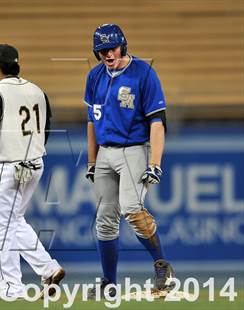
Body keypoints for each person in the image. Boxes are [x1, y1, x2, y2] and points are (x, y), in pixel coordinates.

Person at [84, 24, 174, 299]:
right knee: (104, 220)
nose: (107, 54)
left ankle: (162, 265)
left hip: (135, 148)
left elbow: (156, 122)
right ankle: (108, 282)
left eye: (111, 48)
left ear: (123, 44)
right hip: (105, 152)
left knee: (132, 208)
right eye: (101, 50)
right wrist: (91, 160)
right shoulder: (94, 75)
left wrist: (155, 162)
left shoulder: (143, 73)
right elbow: (91, 121)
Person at [0, 44, 65, 300]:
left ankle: (11, 288)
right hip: (35, 163)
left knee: (0, 228)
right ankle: (49, 268)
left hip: (10, 165)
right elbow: (46, 129)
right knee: (13, 222)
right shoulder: (37, 90)